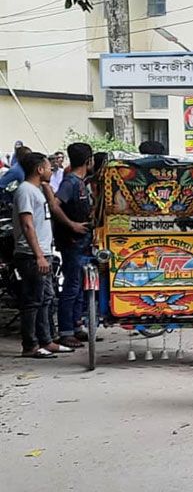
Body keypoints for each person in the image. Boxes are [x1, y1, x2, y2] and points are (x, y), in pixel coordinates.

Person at [13, 152, 74, 358]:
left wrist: (47, 187)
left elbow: (54, 207)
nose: (52, 170)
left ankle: (46, 340)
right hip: (31, 254)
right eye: (48, 167)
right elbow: (27, 224)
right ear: (40, 169)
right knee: (33, 300)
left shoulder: (38, 190)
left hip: (44, 252)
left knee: (46, 297)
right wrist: (38, 254)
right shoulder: (25, 191)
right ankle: (30, 344)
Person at [52, 143, 95, 348]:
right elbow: (55, 205)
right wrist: (71, 225)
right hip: (72, 243)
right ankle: (66, 331)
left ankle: (77, 326)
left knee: (79, 286)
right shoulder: (69, 183)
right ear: (89, 161)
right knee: (71, 287)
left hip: (82, 244)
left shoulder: (81, 182)